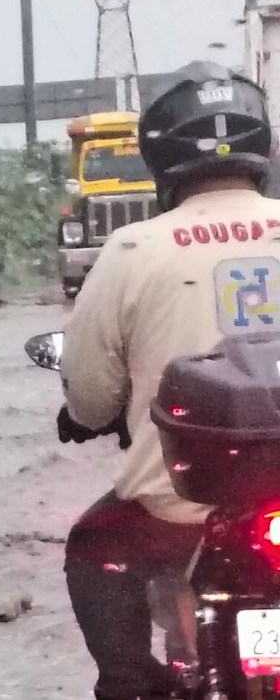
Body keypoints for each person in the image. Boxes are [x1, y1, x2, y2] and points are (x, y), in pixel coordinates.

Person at [58, 60, 280, 700]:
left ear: (159, 154)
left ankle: (133, 684)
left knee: (90, 549)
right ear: (262, 146)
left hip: (180, 512)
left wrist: (85, 415)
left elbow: (93, 400)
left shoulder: (132, 250)